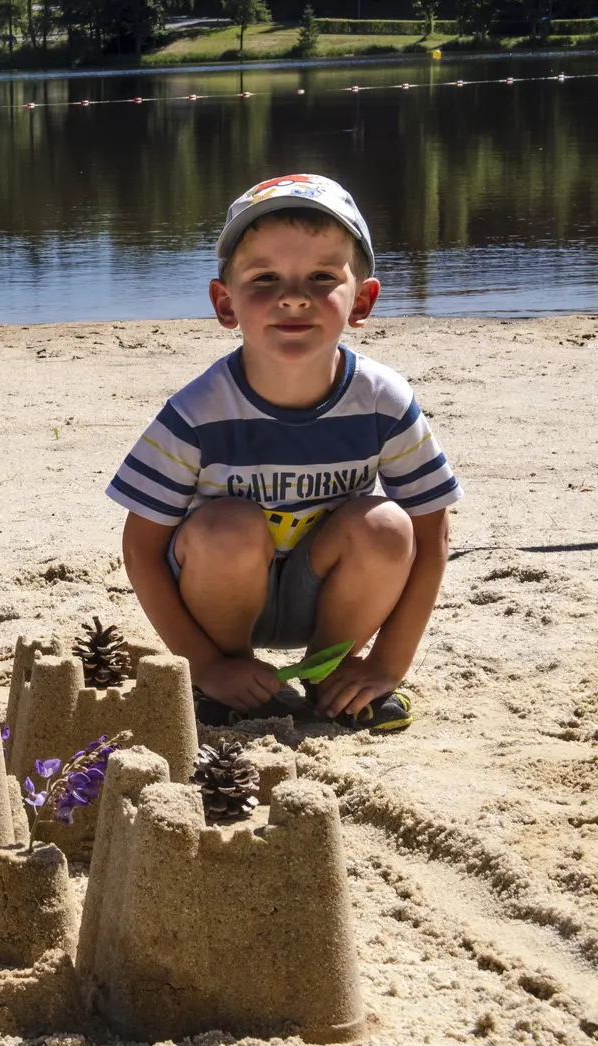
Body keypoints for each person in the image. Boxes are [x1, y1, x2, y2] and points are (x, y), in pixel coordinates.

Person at [106, 175, 460, 732]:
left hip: (325, 599)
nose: (294, 296)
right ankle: (234, 685)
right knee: (226, 526)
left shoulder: (382, 400)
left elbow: (432, 532)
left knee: (388, 525)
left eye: (322, 277)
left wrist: (390, 663)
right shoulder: (198, 412)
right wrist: (204, 665)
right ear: (226, 303)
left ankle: (332, 677)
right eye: (264, 278)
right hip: (219, 598)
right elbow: (141, 547)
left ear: (362, 301)